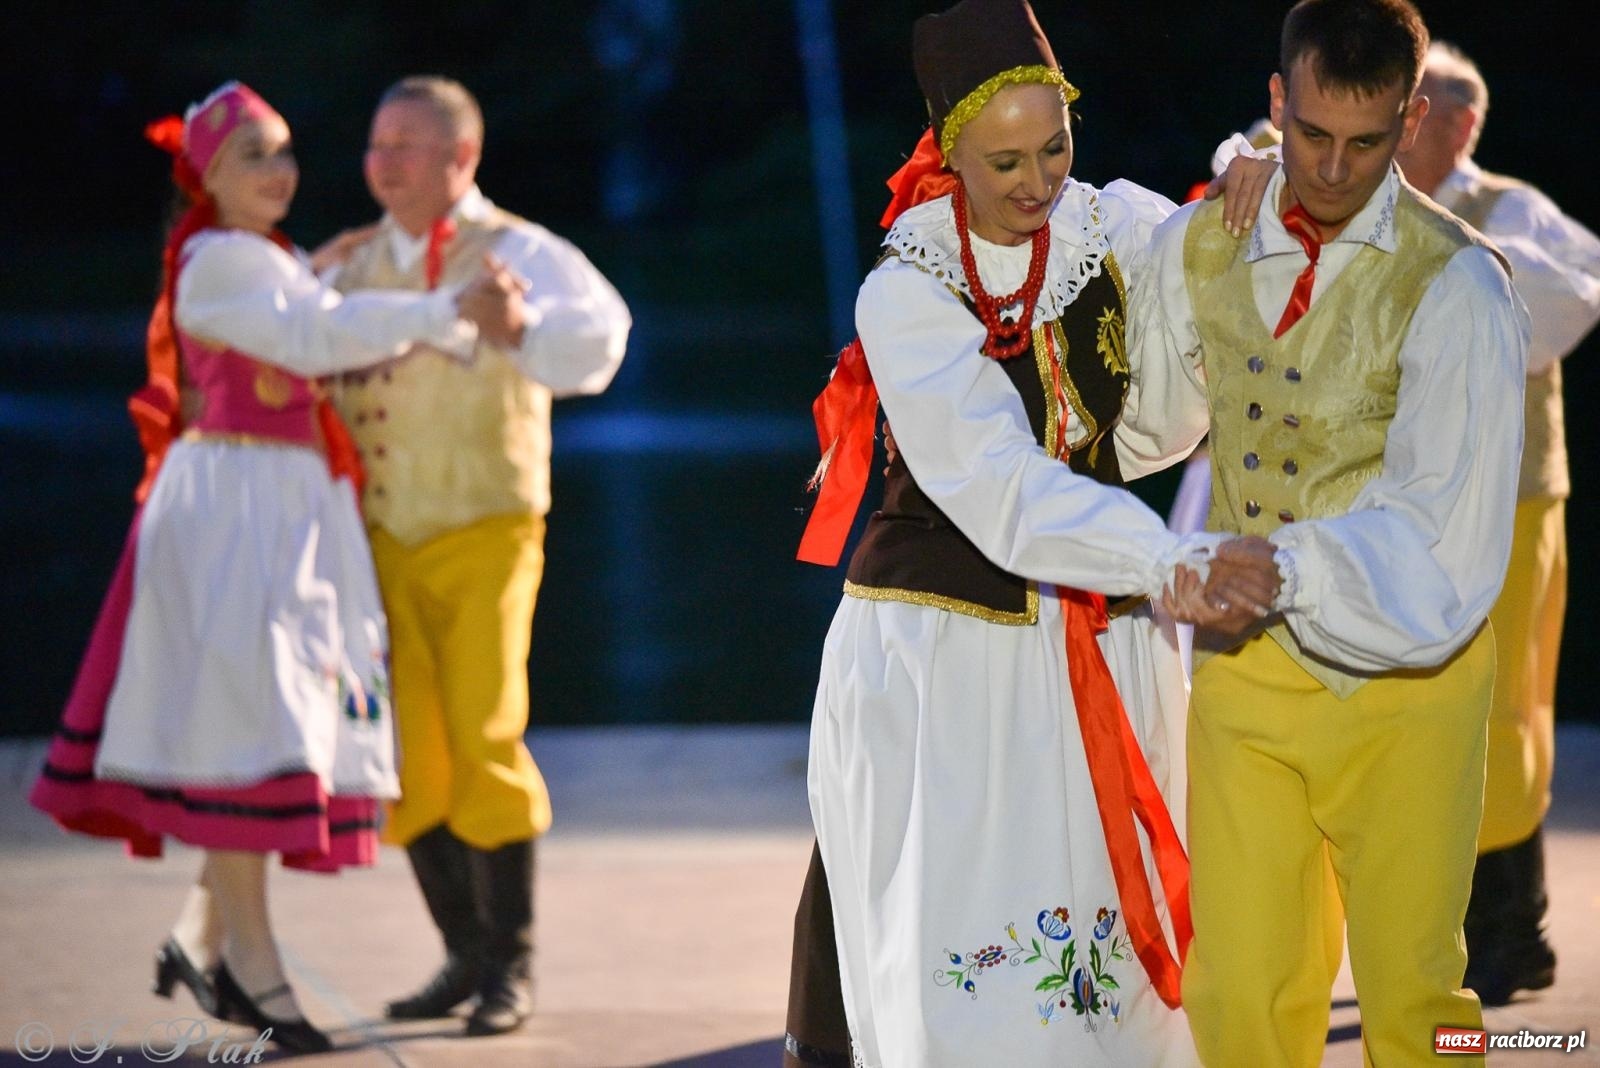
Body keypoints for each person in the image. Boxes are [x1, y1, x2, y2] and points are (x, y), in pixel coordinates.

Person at [793, 2, 1281, 1064]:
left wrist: (1247, 184)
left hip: (1100, 628)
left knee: (1103, 945)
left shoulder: (1109, 227)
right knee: (972, 936)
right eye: (1003, 158)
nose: (1037, 179)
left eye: (1053, 144)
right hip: (952, 653)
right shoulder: (910, 291)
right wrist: (1166, 557)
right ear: (948, 156)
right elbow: (1002, 489)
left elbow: (1145, 425)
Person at [27, 82, 502, 1054]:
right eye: (253, 154)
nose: (279, 170)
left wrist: (439, 316)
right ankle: (253, 962)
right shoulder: (213, 260)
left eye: (283, 151)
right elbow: (316, 337)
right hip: (237, 509)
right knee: (255, 729)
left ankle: (203, 938)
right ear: (203, 172)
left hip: (283, 506)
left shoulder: (262, 256)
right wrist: (448, 304)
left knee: (265, 724)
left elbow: (320, 320)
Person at [1137, 1, 1532, 1062]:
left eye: (1364, 141)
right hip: (1246, 678)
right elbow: (1139, 424)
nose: (1332, 165)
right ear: (1276, 104)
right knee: (1242, 996)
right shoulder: (1213, 235)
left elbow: (1442, 539)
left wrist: (1280, 566)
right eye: (1309, 135)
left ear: (1409, 124)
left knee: (1419, 1007)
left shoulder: (1458, 284)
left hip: (1407, 686)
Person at [320, 76, 631, 1037]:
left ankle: (511, 964)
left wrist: (523, 325)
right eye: (376, 144)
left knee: (484, 726)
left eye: (407, 144)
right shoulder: (345, 263)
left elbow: (604, 341)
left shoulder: (520, 250)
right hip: (375, 537)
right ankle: (464, 952)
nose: (384, 162)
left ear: (463, 157)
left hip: (487, 524)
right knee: (404, 744)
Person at [1396, 41, 1600, 1007]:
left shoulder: (1508, 208)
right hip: (1414, 503)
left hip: (1512, 499)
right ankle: (1469, 925)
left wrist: (1454, 270)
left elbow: (1568, 302)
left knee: (1505, 701)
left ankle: (1514, 929)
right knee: (1431, 706)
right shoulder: (1365, 196)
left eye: (1413, 102)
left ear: (1459, 123)